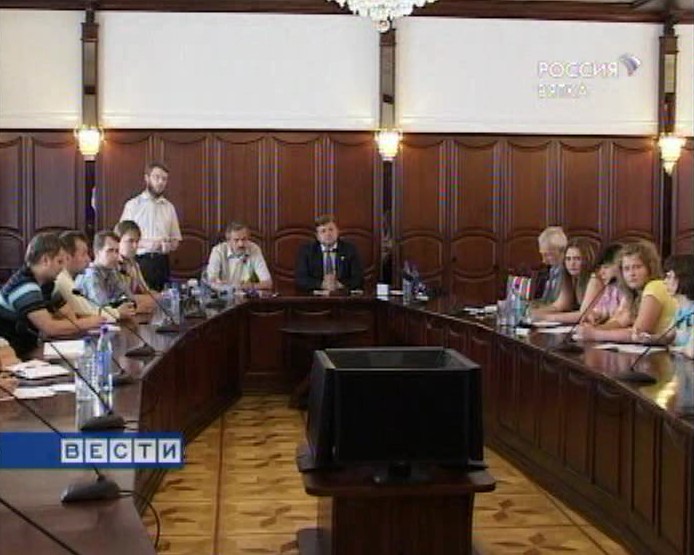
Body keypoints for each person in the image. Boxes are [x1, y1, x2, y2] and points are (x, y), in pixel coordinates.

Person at [0, 233, 104, 355]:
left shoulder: (48, 284)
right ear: (45, 260)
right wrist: (87, 323)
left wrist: (73, 324)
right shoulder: (24, 286)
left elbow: (69, 317)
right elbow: (50, 328)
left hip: (29, 349)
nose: (63, 268)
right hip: (10, 356)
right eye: (59, 261)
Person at [576, 240, 677, 343]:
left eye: (637, 267)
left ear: (650, 268)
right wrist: (591, 328)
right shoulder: (634, 294)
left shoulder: (655, 286)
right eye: (626, 269)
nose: (631, 273)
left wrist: (595, 334)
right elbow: (621, 321)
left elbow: (638, 333)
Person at [120, 161, 181, 291]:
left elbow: (176, 240)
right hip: (139, 261)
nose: (160, 182)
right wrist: (148, 244)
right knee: (140, 298)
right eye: (157, 177)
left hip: (162, 262)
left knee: (162, 298)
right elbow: (121, 237)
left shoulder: (169, 208)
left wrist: (169, 245)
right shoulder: (132, 205)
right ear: (147, 178)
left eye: (164, 179)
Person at [54, 231, 121, 322]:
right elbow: (86, 312)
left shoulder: (67, 278)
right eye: (83, 254)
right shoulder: (62, 279)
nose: (88, 259)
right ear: (67, 257)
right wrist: (118, 313)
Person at [295, 215, 364, 293]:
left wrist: (339, 285)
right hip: (315, 296)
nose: (328, 234)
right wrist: (322, 285)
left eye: (331, 230)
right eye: (323, 231)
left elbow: (358, 278)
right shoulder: (307, 251)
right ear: (317, 236)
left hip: (342, 295)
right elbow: (300, 279)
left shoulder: (349, 249)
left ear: (337, 231)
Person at [75, 231, 137, 317]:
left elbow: (130, 299)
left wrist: (121, 305)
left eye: (117, 251)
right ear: (97, 252)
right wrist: (118, 308)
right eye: (110, 251)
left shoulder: (111, 271)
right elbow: (103, 307)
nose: (115, 256)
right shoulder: (91, 275)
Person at [531, 238, 594, 322]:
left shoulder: (594, 278)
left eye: (577, 259)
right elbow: (560, 306)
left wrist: (548, 317)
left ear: (587, 260)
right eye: (568, 259)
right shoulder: (569, 276)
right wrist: (531, 313)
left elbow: (584, 314)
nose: (572, 263)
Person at [205, 222, 272, 291]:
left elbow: (268, 283)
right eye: (236, 240)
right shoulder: (218, 251)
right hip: (222, 294)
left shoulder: (254, 249)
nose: (241, 244)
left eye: (244, 239)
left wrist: (250, 286)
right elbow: (211, 282)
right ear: (228, 241)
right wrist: (233, 288)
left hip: (246, 294)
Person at [114, 220, 159, 312]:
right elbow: (120, 298)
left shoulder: (134, 265)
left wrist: (161, 296)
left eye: (137, 242)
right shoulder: (111, 265)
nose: (135, 246)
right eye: (130, 241)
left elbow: (146, 291)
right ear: (117, 241)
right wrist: (152, 298)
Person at [663, 254, 694, 357]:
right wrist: (648, 338)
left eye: (669, 277)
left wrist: (674, 349)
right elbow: (668, 336)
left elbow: (692, 351)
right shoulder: (680, 309)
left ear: (684, 278)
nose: (664, 282)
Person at [536, 226, 568, 304]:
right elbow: (546, 301)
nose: (543, 260)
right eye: (542, 255)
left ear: (562, 251)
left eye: (548, 255)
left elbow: (558, 305)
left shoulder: (567, 272)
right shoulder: (553, 269)